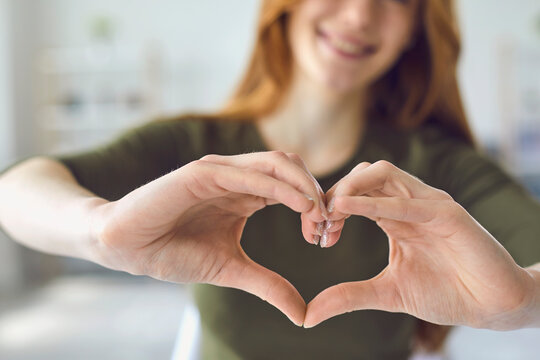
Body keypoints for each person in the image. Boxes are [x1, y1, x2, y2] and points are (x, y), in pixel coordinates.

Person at [1, 0, 539, 358]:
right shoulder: (195, 150)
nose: (359, 15)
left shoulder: (436, 170)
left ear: (418, 29)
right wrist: (99, 229)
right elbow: (15, 189)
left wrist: (524, 298)